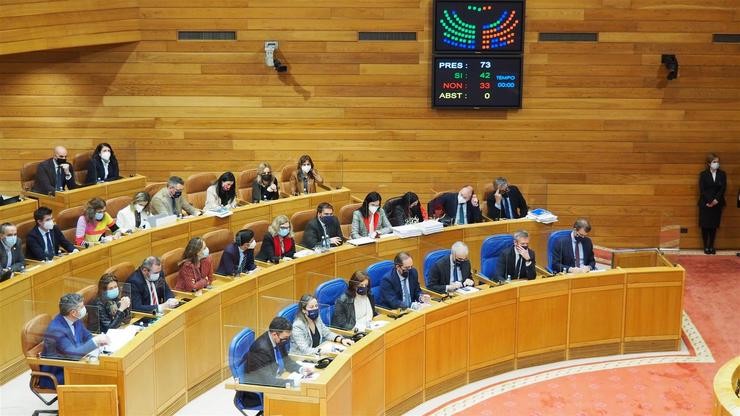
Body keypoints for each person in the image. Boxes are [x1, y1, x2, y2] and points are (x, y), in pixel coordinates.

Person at [39, 293, 110, 387]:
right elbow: (73, 356)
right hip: (59, 372)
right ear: (73, 312)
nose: (84, 308)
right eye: (82, 306)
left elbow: (87, 336)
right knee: (101, 374)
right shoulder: (56, 330)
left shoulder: (75, 319)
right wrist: (95, 342)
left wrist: (99, 343)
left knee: (106, 369)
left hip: (74, 364)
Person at [242, 316, 308, 397]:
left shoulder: (279, 340)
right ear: (274, 334)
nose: (287, 341)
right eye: (285, 338)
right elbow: (269, 381)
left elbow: (286, 361)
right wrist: (293, 382)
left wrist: (301, 369)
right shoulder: (260, 349)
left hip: (277, 378)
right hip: (262, 390)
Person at [698, 153, 727, 255]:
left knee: (714, 225)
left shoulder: (722, 174)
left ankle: (711, 246)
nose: (717, 164)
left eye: (718, 162)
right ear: (709, 163)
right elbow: (702, 190)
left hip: (717, 203)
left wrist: (716, 200)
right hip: (705, 203)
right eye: (714, 162)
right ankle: (706, 246)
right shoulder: (703, 174)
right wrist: (709, 201)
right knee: (705, 225)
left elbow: (722, 188)